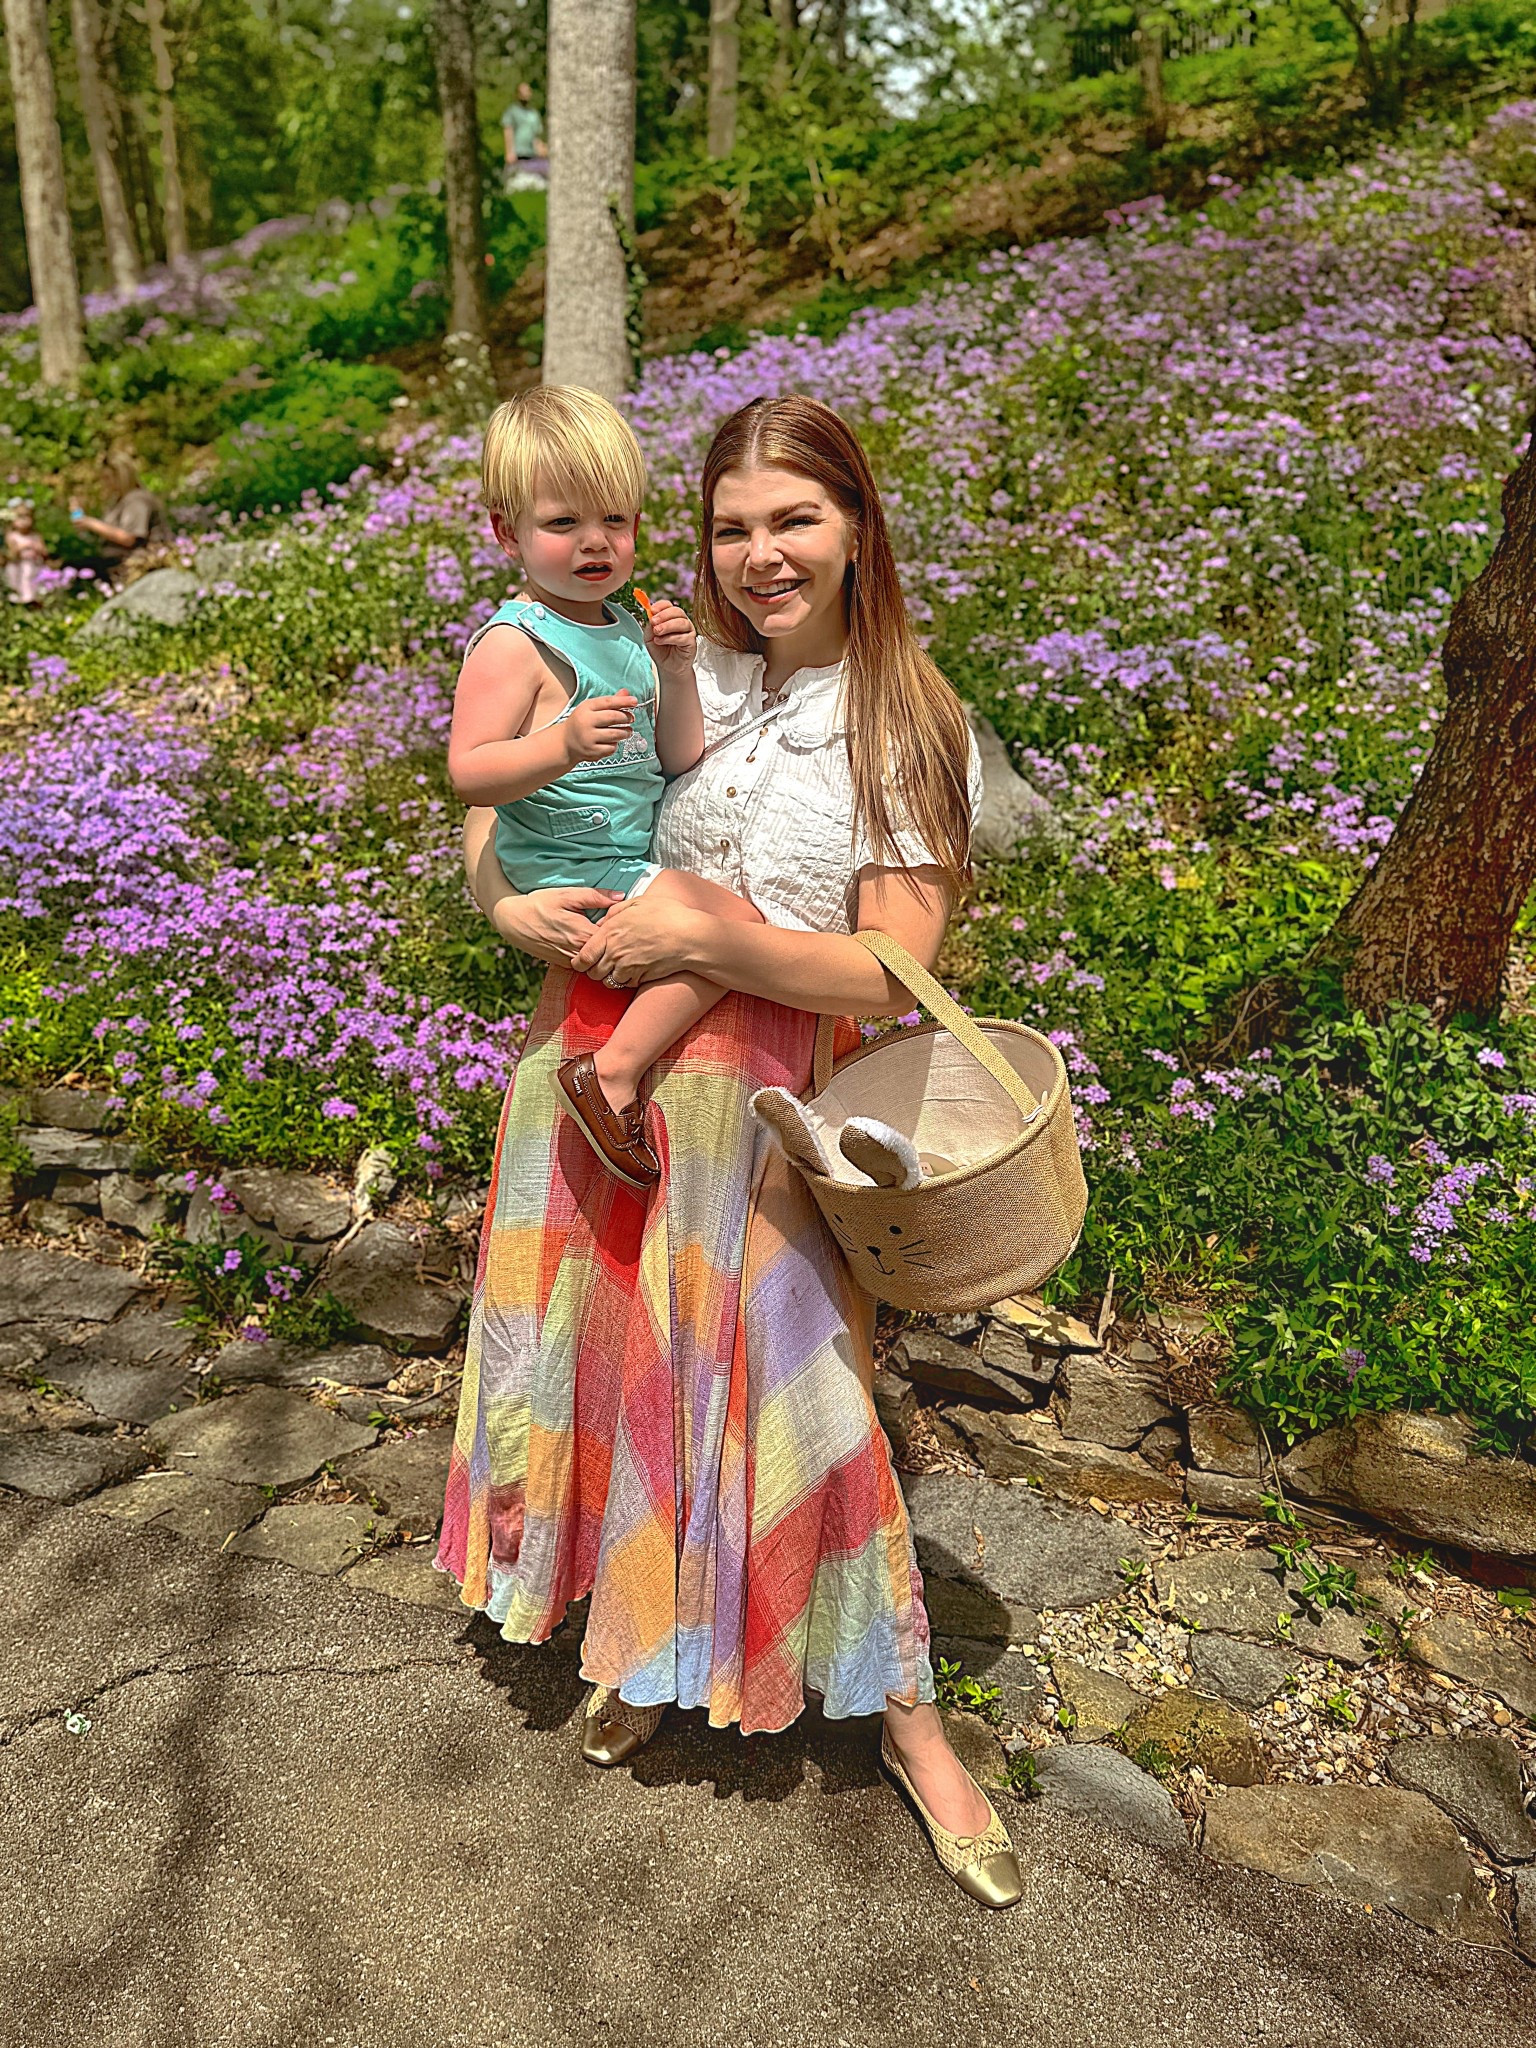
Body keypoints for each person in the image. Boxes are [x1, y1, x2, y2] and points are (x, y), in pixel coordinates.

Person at [438, 394, 1017, 1909]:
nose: (760, 556)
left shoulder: (908, 718)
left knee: (801, 1394)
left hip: (769, 1106)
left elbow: (895, 976)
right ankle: (647, 1640)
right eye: (733, 527)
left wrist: (713, 933)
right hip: (598, 1071)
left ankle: (910, 1724)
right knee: (621, 1361)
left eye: (794, 521)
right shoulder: (682, 669)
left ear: (857, 527)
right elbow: (512, 817)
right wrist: (503, 908)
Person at [448, 385, 770, 1193]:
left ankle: (616, 1070)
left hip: (617, 855)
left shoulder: (626, 625)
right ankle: (613, 1075)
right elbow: (468, 772)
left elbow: (678, 754)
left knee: (736, 928)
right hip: (568, 867)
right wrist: (556, 745)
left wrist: (674, 671)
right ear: (505, 531)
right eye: (564, 524)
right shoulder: (513, 644)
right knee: (737, 929)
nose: (596, 543)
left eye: (615, 521)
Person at [69, 455, 169, 576]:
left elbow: (128, 538)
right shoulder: (117, 501)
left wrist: (90, 523)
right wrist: (82, 519)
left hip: (138, 561)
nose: (104, 483)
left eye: (107, 478)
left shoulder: (137, 500)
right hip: (114, 559)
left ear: (121, 476)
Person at [500, 80, 547, 188]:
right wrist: (509, 151)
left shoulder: (534, 114)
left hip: (531, 154)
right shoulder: (512, 111)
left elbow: (536, 135)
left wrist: (541, 149)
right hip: (517, 154)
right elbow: (508, 130)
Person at [3, 502, 46, 605]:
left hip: (34, 565)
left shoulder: (35, 535)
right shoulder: (12, 536)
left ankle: (31, 600)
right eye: (20, 517)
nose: (24, 521)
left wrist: (38, 548)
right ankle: (20, 600)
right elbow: (11, 554)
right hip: (18, 566)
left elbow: (44, 552)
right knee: (20, 580)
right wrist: (22, 547)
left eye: (27, 517)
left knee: (33, 580)